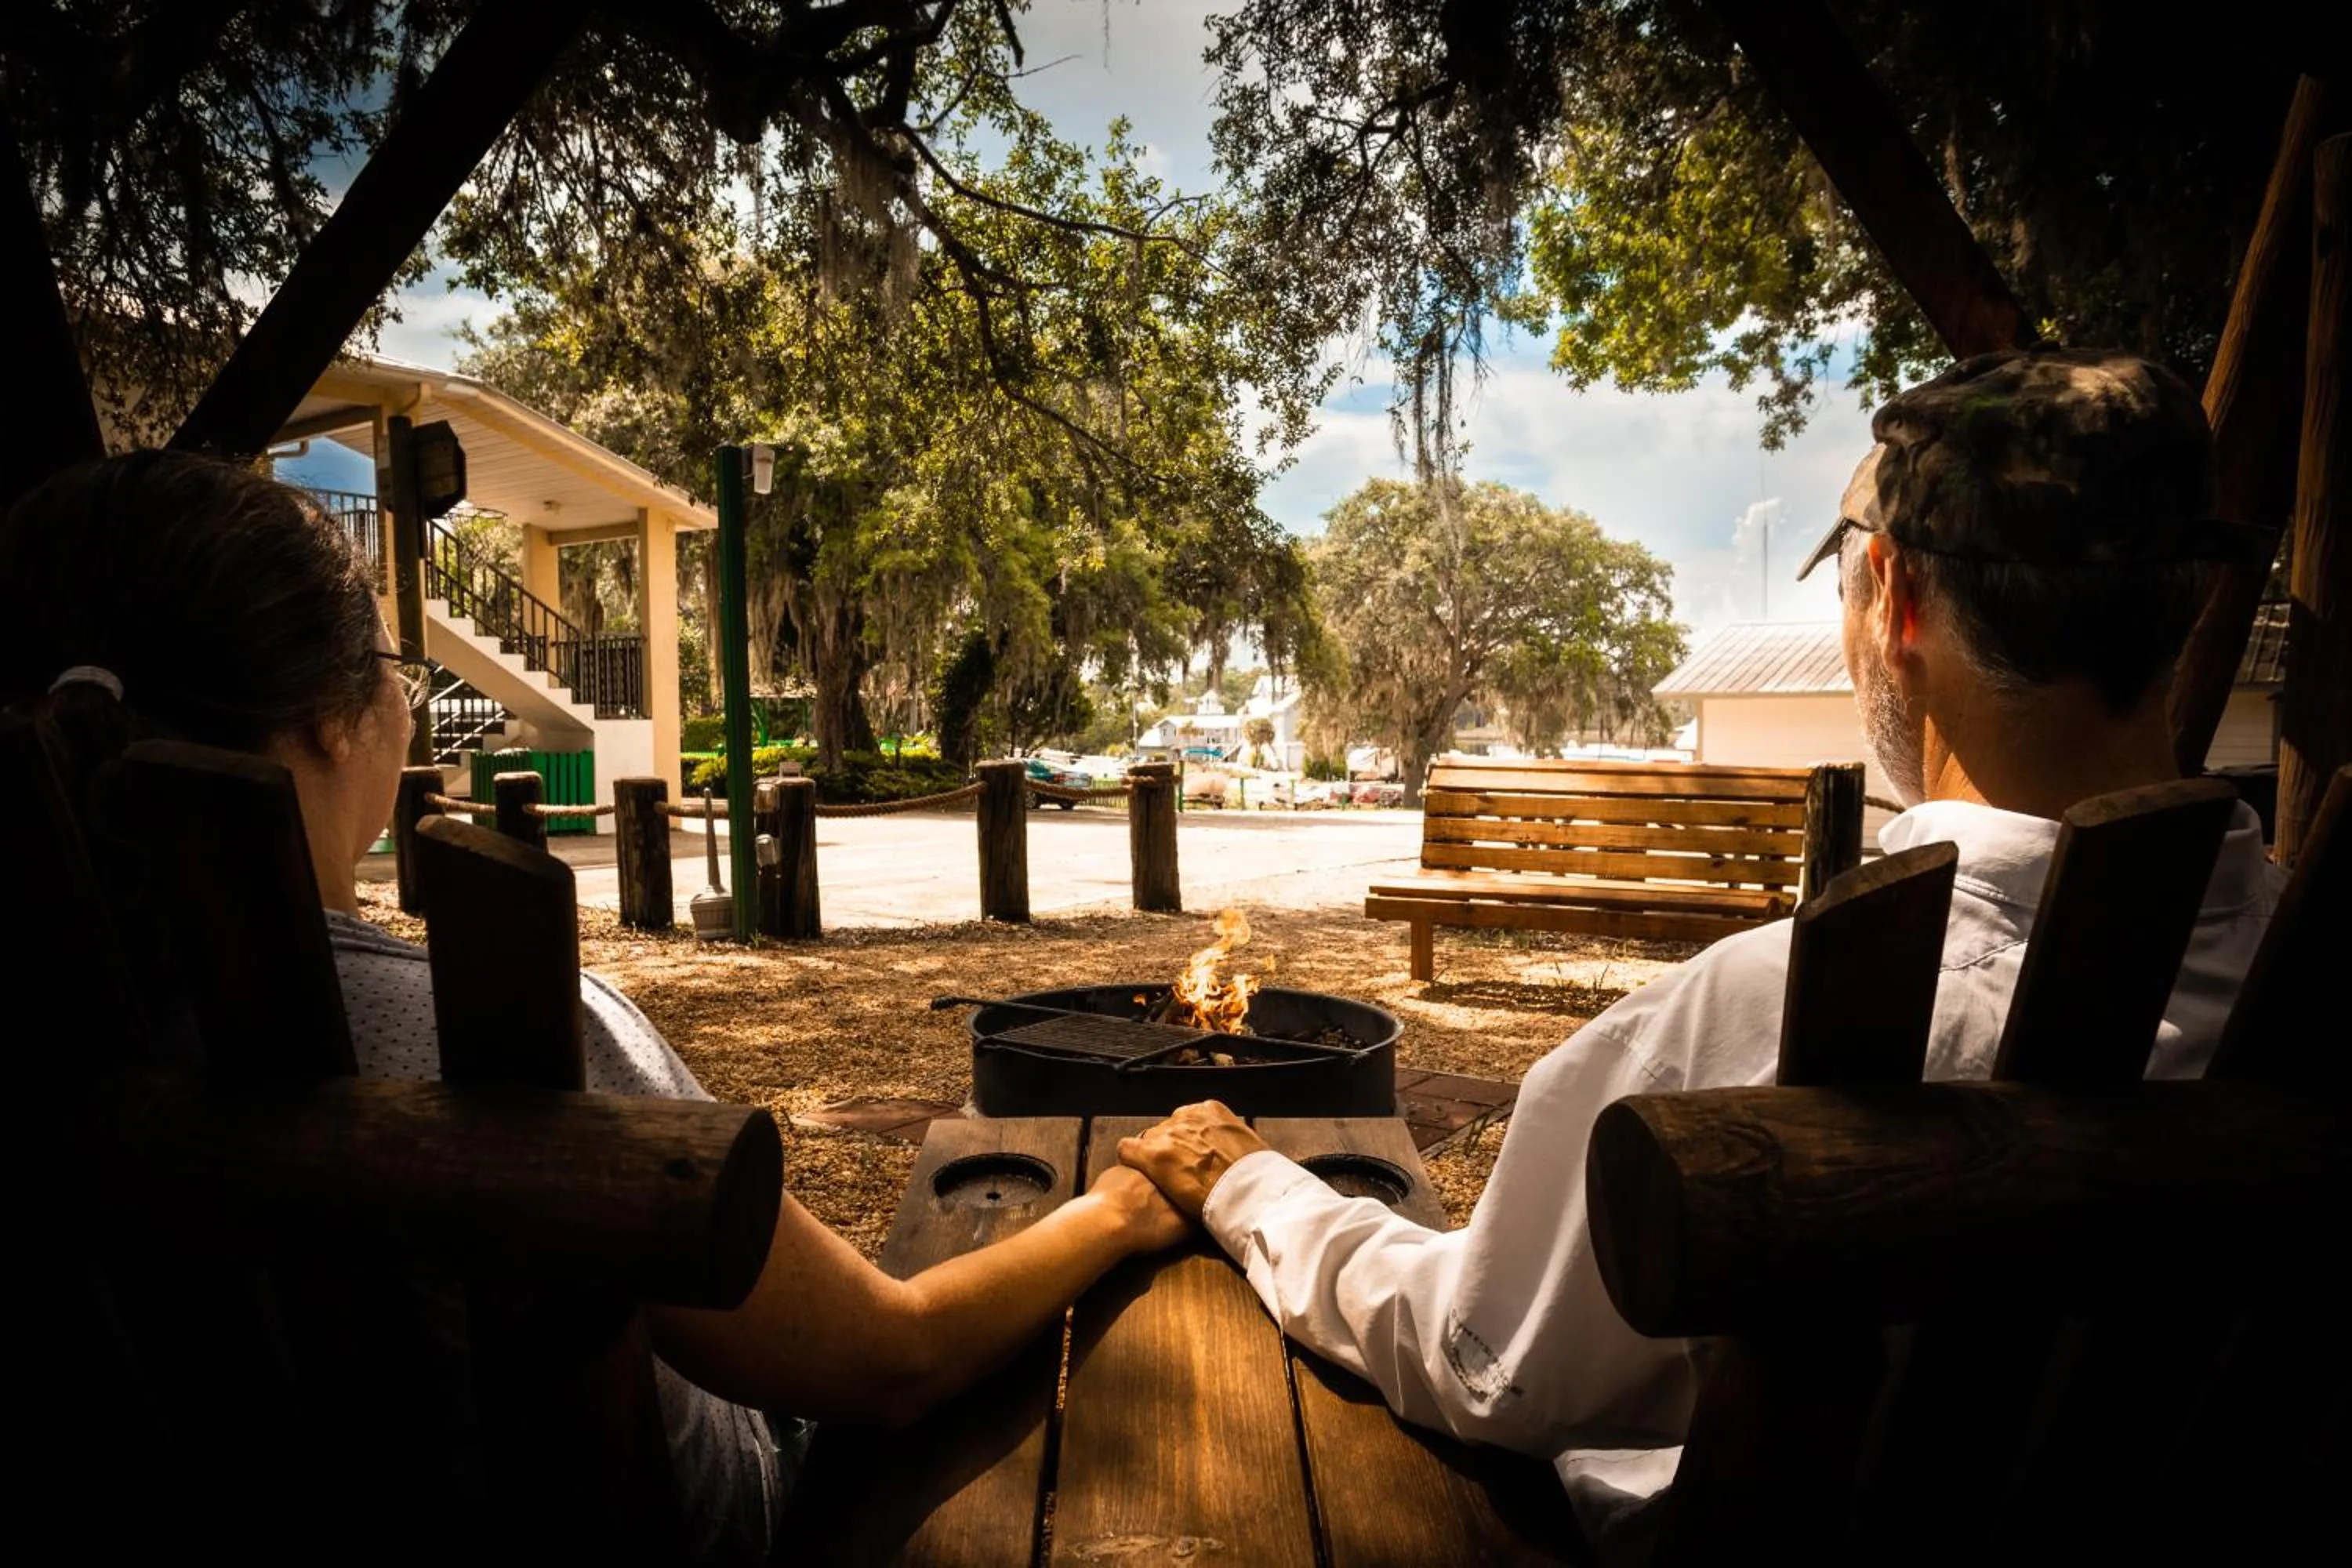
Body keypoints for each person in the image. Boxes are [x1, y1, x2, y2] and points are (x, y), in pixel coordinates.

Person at [1115, 347, 2285, 1558]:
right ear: (2194, 598)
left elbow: (1491, 1364)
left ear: (1898, 597)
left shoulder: (1779, 1012)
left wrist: (1251, 1186)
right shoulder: (2315, 979)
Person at [0, 450, 1188, 1566]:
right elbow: (893, 1356)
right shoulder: (487, 1033)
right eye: (394, 669)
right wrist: (1128, 1203)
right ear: (327, 717)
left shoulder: (62, 1022)